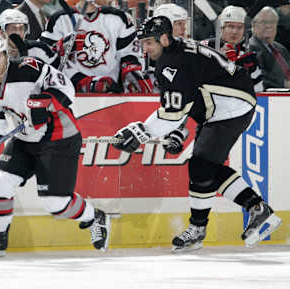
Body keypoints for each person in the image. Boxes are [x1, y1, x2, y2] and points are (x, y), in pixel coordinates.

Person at [112, 16, 281, 253]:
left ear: (164, 38)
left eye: (149, 42)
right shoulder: (176, 53)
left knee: (201, 165)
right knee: (204, 167)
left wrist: (141, 131)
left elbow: (173, 111)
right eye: (143, 43)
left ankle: (202, 227)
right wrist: (177, 133)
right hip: (220, 105)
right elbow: (185, 100)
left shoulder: (172, 62)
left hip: (230, 106)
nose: (146, 48)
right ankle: (256, 209)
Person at [0, 31, 111, 256]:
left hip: (59, 137)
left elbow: (66, 89)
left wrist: (47, 100)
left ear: (5, 54)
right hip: (25, 138)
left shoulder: (29, 67)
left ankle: (95, 218)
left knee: (55, 204)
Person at [41, 0, 150, 93]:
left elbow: (129, 53)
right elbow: (45, 58)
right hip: (72, 95)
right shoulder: (59, 19)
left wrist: (131, 72)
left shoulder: (118, 17)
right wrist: (59, 48)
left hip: (112, 93)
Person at [201, 5, 263, 92]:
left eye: (239, 27)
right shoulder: (205, 47)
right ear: (221, 28)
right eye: (230, 26)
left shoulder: (248, 56)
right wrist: (218, 59)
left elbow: (258, 90)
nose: (235, 31)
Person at [250, 6, 290, 89]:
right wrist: (283, 84)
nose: (269, 26)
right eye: (264, 22)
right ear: (253, 25)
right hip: (265, 98)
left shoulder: (281, 49)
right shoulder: (249, 48)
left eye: (272, 22)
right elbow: (257, 77)